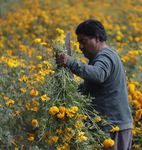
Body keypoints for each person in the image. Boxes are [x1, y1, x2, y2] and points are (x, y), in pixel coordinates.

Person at [56, 19, 133, 150]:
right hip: (110, 125)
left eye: (83, 41)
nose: (80, 47)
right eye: (79, 42)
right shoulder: (102, 57)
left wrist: (71, 63)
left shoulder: (105, 57)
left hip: (113, 127)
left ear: (96, 38)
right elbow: (97, 86)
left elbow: (98, 74)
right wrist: (69, 87)